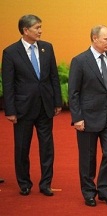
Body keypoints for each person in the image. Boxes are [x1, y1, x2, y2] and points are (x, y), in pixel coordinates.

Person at [1, 14, 62, 196]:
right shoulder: (10, 52)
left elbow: (53, 77)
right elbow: (8, 84)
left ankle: (45, 184)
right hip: (23, 109)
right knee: (22, 147)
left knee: (47, 147)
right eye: (37, 28)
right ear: (25, 30)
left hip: (45, 106)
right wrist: (10, 110)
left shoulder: (47, 48)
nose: (40, 31)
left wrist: (57, 101)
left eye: (40, 27)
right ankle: (24, 183)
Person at [68, 25, 107, 207]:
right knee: (88, 157)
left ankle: (105, 190)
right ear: (94, 38)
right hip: (87, 117)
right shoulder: (80, 61)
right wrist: (77, 117)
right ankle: (88, 192)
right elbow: (73, 92)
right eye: (106, 39)